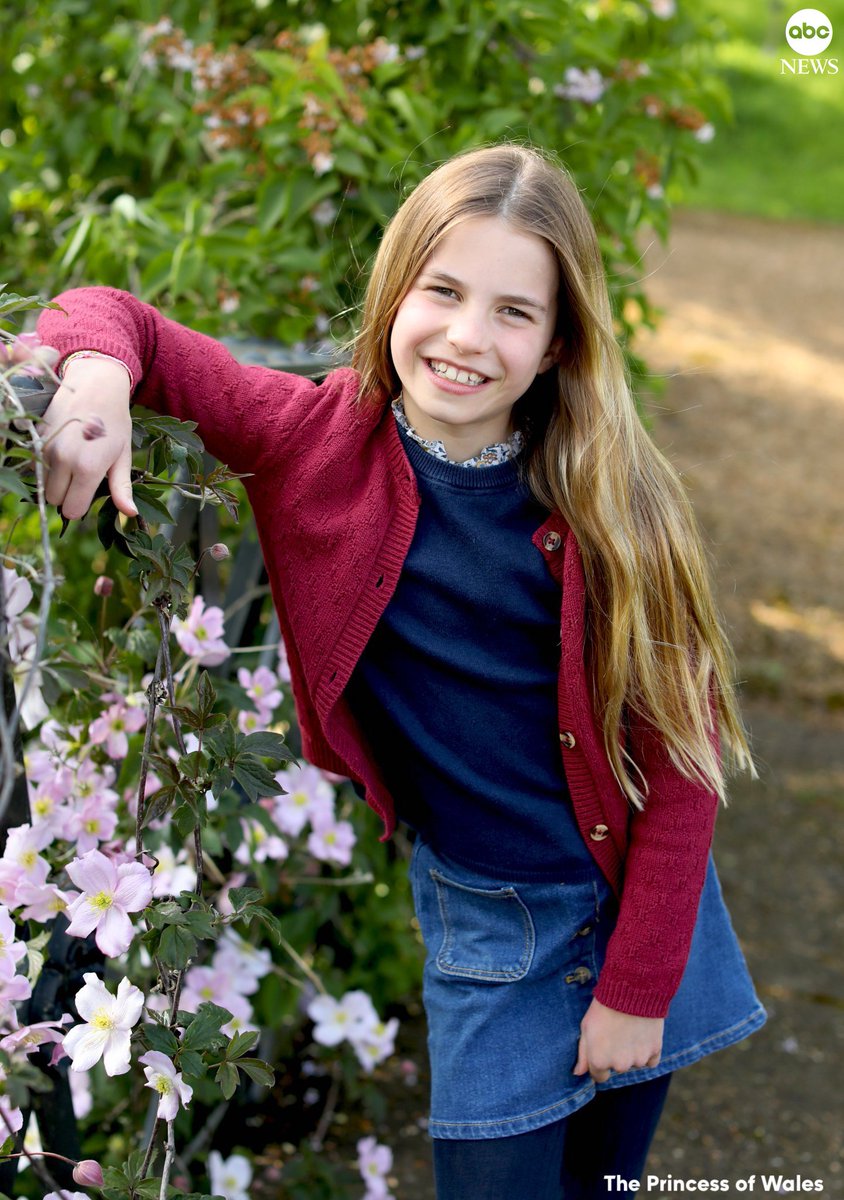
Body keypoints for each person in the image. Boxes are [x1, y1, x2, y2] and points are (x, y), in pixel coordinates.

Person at [37, 143, 766, 1200]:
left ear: (559, 340)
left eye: (514, 312)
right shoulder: (311, 440)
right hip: (488, 923)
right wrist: (99, 375)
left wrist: (639, 983)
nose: (468, 338)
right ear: (396, 290)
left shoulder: (612, 502)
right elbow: (113, 313)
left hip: (641, 908)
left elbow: (683, 757)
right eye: (444, 291)